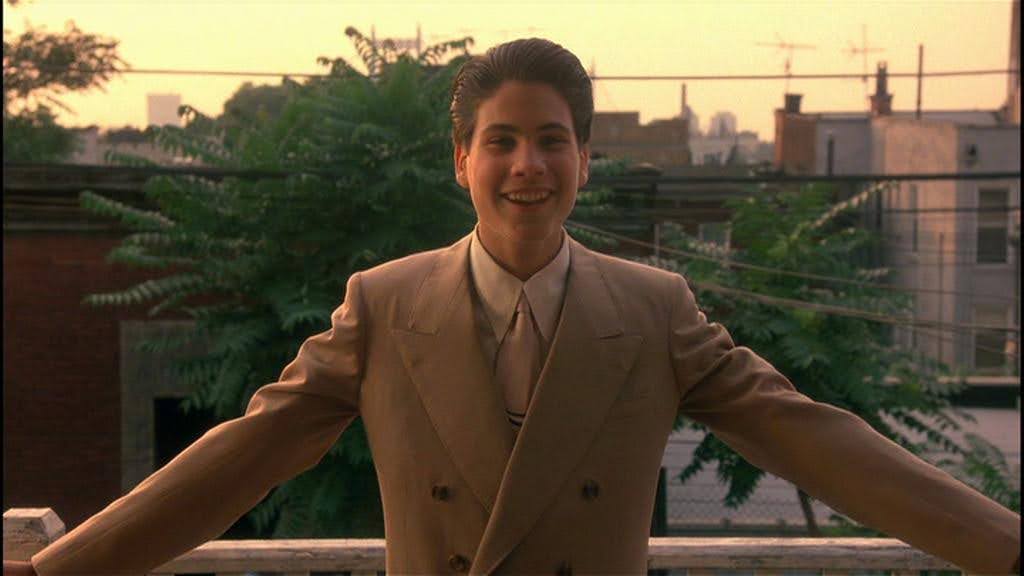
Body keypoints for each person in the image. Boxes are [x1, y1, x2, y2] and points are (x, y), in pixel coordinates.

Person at [5, 38, 1020, 576]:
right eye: (500, 140)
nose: (525, 165)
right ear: (462, 162)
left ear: (586, 158)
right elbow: (243, 454)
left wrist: (1001, 545)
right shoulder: (385, 305)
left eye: (550, 139)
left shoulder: (657, 310)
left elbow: (816, 442)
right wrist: (64, 570)